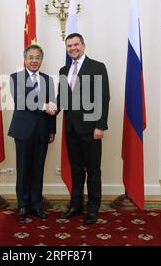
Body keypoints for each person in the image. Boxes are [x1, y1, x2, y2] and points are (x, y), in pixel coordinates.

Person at [47, 33, 110, 224]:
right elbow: (63, 97)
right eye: (69, 46)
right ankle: (75, 205)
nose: (73, 48)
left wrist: (100, 126)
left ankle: (92, 208)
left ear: (83, 45)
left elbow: (103, 98)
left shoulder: (97, 67)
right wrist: (52, 108)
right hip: (72, 129)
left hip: (91, 129)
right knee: (75, 170)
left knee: (93, 170)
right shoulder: (64, 69)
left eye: (76, 45)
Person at [8, 45, 56, 221]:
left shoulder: (48, 80)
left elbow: (53, 105)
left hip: (42, 132)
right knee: (23, 169)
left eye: (37, 57)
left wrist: (52, 130)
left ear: (41, 60)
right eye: (31, 57)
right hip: (23, 131)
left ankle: (36, 205)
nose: (34, 60)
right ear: (25, 59)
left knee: (38, 169)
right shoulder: (15, 78)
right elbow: (22, 101)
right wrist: (44, 106)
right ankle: (22, 205)